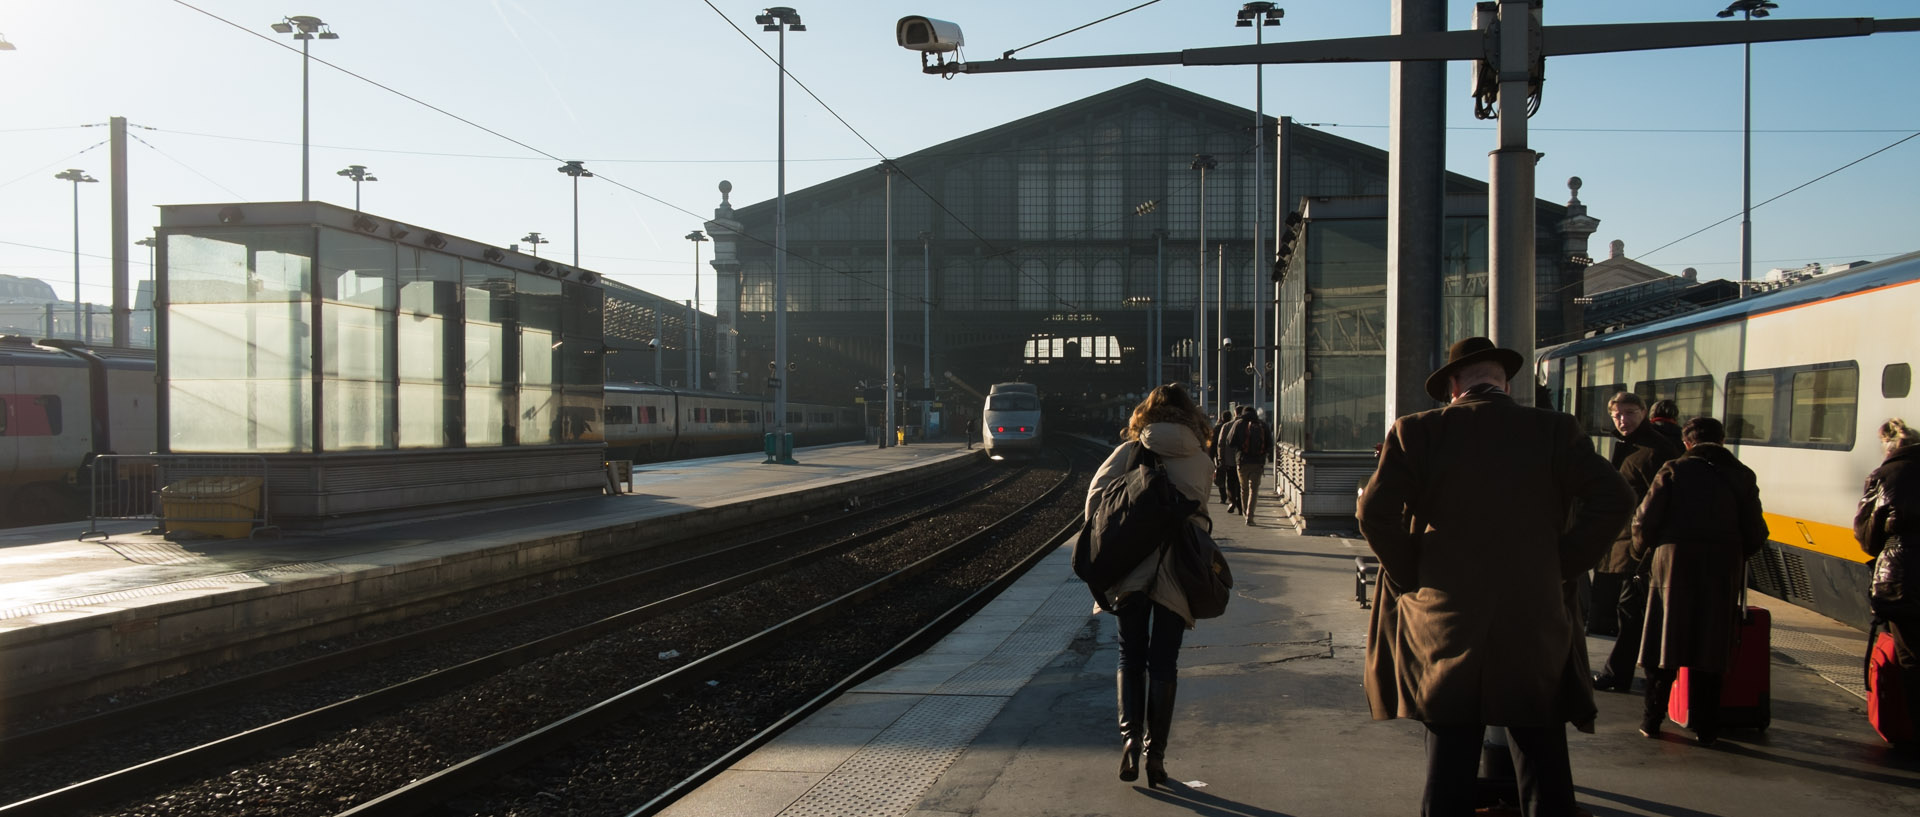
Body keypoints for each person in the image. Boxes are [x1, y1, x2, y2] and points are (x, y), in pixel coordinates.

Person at [1358, 337, 1634, 817]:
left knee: (1449, 753)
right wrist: (1562, 563)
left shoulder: (1417, 432)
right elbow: (1617, 498)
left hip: (1445, 614)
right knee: (1541, 748)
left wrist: (1410, 574)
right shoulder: (1553, 430)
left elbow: (1373, 513)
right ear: (1505, 382)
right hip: (1533, 609)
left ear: (1452, 386)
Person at [1085, 384, 1216, 788]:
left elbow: (1094, 499)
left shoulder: (1132, 451)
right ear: (1189, 415)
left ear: (1148, 412)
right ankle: (1155, 754)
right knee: (1164, 662)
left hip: (1132, 571)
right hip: (1179, 572)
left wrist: (1111, 541)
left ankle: (1129, 742)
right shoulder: (1201, 458)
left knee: (1130, 656)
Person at [1630, 417, 1768, 745]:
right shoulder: (1742, 476)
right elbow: (1757, 532)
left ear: (1687, 442)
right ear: (1722, 441)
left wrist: (1641, 553)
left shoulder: (1673, 470)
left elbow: (1644, 520)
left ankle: (1651, 721)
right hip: (1721, 570)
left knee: (1665, 643)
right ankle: (1707, 729)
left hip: (1672, 567)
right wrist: (1734, 553)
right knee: (1711, 646)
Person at [1593, 391, 1682, 691]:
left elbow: (1659, 503)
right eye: (1617, 415)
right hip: (1630, 543)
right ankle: (1630, 673)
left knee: (1631, 610)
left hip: (1642, 546)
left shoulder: (1654, 450)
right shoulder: (1633, 447)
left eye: (1629, 412)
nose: (1622, 419)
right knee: (1633, 611)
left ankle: (1618, 674)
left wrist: (1641, 547)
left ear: (1644, 412)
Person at [1855, 417, 1920, 745]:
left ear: (1889, 448)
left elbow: (1867, 538)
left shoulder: (1885, 475)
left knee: (1911, 659)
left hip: (1903, 582)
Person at [1230, 405, 1274, 526]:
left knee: (1244, 489)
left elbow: (1230, 441)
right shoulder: (1262, 424)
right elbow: (1270, 443)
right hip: (1258, 462)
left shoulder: (1238, 424)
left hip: (1242, 461)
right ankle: (1250, 515)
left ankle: (1245, 514)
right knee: (1253, 490)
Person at [1213, 410, 1241, 514]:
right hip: (1243, 460)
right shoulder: (1247, 425)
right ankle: (1240, 504)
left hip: (1229, 460)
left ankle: (1231, 500)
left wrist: (1220, 458)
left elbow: (1220, 443)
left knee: (1230, 481)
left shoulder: (1225, 426)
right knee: (1240, 483)